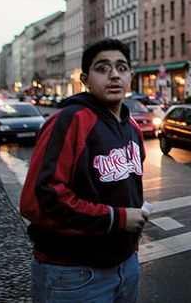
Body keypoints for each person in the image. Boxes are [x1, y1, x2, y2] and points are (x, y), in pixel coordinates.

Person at [20, 38, 148, 303]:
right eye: (103, 68)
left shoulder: (131, 127)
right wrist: (118, 219)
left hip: (126, 265)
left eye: (122, 68)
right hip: (74, 274)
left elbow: (126, 187)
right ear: (85, 78)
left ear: (131, 77)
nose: (114, 75)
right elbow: (40, 200)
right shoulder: (69, 120)